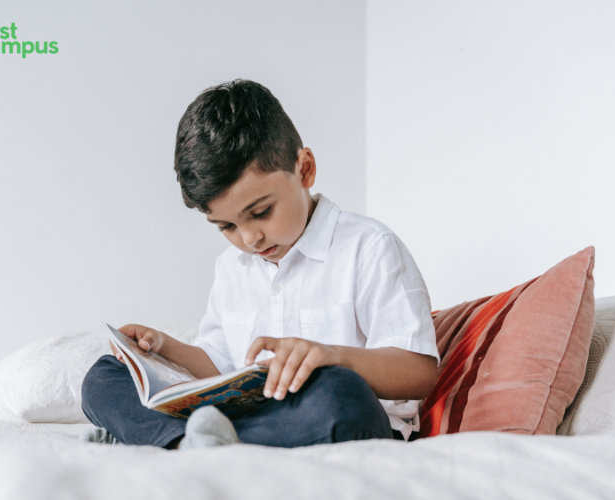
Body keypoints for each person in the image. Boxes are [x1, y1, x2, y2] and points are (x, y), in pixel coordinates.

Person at [80, 79, 440, 450]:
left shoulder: (370, 247)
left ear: (305, 170)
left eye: (261, 212)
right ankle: (191, 441)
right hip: (251, 417)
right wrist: (162, 348)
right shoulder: (232, 267)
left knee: (340, 390)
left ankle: (160, 439)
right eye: (227, 226)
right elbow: (220, 367)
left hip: (338, 414)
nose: (249, 238)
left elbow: (420, 372)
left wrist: (335, 356)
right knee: (102, 378)